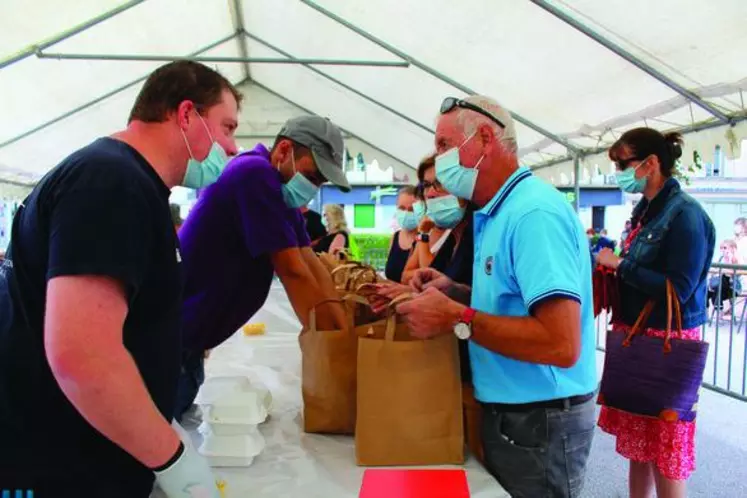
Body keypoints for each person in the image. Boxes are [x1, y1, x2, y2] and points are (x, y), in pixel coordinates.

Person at [0, 61, 240, 498]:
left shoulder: (129, 183)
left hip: (89, 450)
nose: (232, 147)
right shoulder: (111, 182)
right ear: (186, 115)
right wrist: (172, 458)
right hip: (63, 465)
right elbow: (81, 355)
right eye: (226, 127)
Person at [396, 95, 597, 498]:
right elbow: (519, 304)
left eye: (443, 146)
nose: (438, 161)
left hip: (540, 419)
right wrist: (456, 292)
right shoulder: (496, 212)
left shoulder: (532, 215)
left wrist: (457, 316)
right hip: (517, 416)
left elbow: (560, 343)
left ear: (485, 138)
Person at [175, 116, 350, 421]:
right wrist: (330, 346)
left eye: (321, 182)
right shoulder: (253, 174)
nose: (314, 186)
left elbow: (311, 262)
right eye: (313, 175)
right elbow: (292, 270)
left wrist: (342, 328)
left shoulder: (281, 195)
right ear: (283, 151)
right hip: (172, 344)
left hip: (188, 345)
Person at [596, 128, 715, 498]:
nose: (617, 171)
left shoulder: (686, 216)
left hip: (667, 341)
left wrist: (619, 266)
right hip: (639, 335)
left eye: (622, 164)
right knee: (640, 444)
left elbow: (678, 289)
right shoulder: (645, 211)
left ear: (651, 163)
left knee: (666, 448)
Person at [384, 186, 418, 283]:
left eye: (412, 209)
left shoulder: (425, 240)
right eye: (402, 208)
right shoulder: (395, 237)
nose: (406, 213)